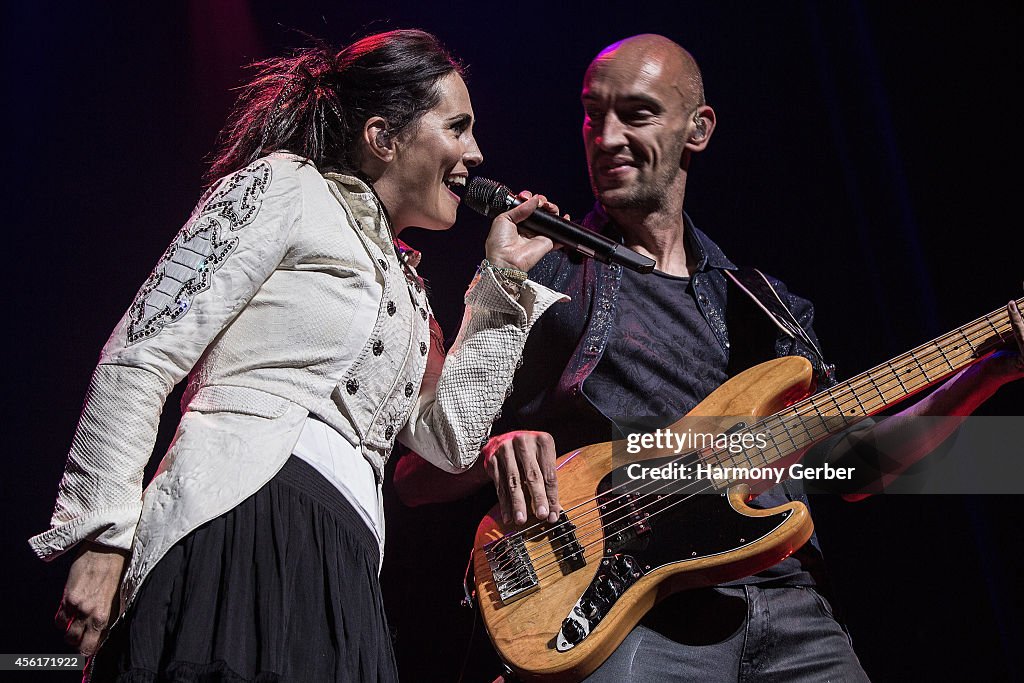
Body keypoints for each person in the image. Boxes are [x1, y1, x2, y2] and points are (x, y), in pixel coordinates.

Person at [392, 33, 1024, 680]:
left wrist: (991, 369)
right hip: (631, 616)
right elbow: (416, 477)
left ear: (697, 129)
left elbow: (858, 468)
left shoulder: (766, 304)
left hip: (788, 604)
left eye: (635, 114)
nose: (605, 137)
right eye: (593, 114)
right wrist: (494, 456)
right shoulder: (542, 274)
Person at [29, 29, 566, 682]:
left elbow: (449, 439)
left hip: (346, 553)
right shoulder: (283, 187)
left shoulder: (411, 289)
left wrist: (503, 284)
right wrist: (104, 535)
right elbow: (142, 354)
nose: (475, 152)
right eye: (457, 126)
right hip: (245, 511)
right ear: (383, 137)